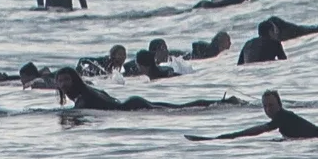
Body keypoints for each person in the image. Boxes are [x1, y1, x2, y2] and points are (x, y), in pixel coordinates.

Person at [55, 66, 240, 113]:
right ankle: (224, 102)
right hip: (132, 103)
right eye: (60, 81)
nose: (63, 84)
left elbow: (78, 112)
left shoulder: (82, 98)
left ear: (74, 80)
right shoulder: (86, 92)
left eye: (66, 80)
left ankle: (224, 102)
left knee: (181, 108)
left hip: (132, 107)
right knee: (179, 107)